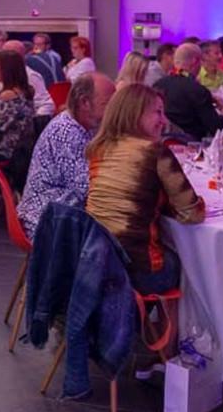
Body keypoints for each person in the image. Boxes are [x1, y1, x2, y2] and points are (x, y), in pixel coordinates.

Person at [86, 84, 205, 294]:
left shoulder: (100, 149)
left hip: (93, 264)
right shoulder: (155, 152)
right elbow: (192, 214)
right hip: (134, 271)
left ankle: (141, 321)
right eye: (157, 112)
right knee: (188, 264)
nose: (164, 120)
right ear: (135, 113)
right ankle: (176, 327)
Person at [18, 73, 116, 241]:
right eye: (108, 104)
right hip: (46, 219)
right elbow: (86, 189)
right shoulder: (67, 132)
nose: (113, 111)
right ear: (85, 102)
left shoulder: (82, 125)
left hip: (59, 211)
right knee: (115, 239)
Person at [155, 43, 223, 140]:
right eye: (201, 61)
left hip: (162, 145)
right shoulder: (197, 90)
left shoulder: (157, 85)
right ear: (194, 61)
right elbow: (216, 128)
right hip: (193, 147)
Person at [0, 50, 37, 165]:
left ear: (6, 69)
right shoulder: (26, 90)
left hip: (5, 149)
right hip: (23, 148)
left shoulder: (8, 95)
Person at [0, 40, 55, 116]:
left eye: (6, 53)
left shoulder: (31, 76)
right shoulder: (1, 78)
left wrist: (34, 122)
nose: (2, 56)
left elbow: (47, 104)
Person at [196, 40, 223, 105]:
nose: (221, 56)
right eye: (217, 53)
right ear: (204, 56)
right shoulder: (196, 78)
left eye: (221, 52)